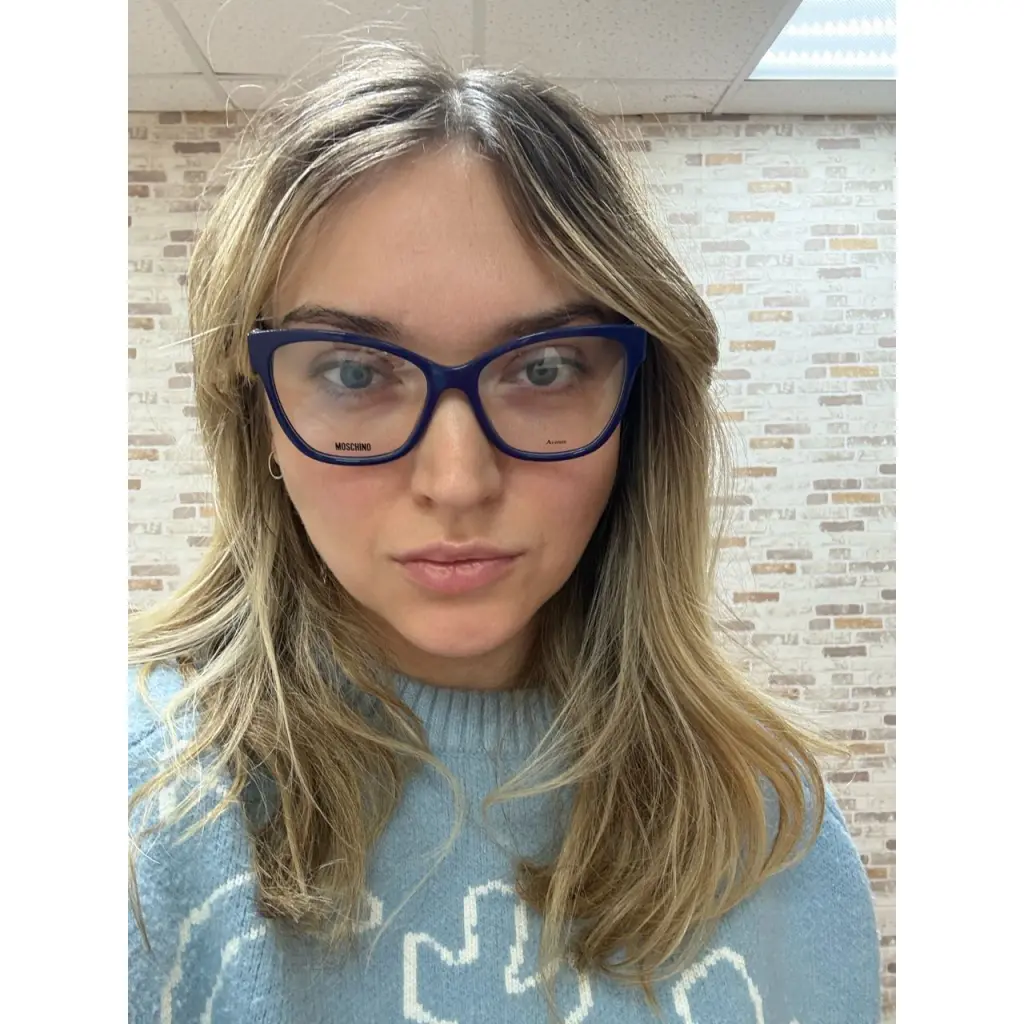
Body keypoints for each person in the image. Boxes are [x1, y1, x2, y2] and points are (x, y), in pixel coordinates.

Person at [128, 41, 881, 1024]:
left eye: (543, 369)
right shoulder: (137, 805)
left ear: (638, 407)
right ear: (258, 416)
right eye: (354, 372)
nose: (457, 481)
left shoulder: (774, 828)